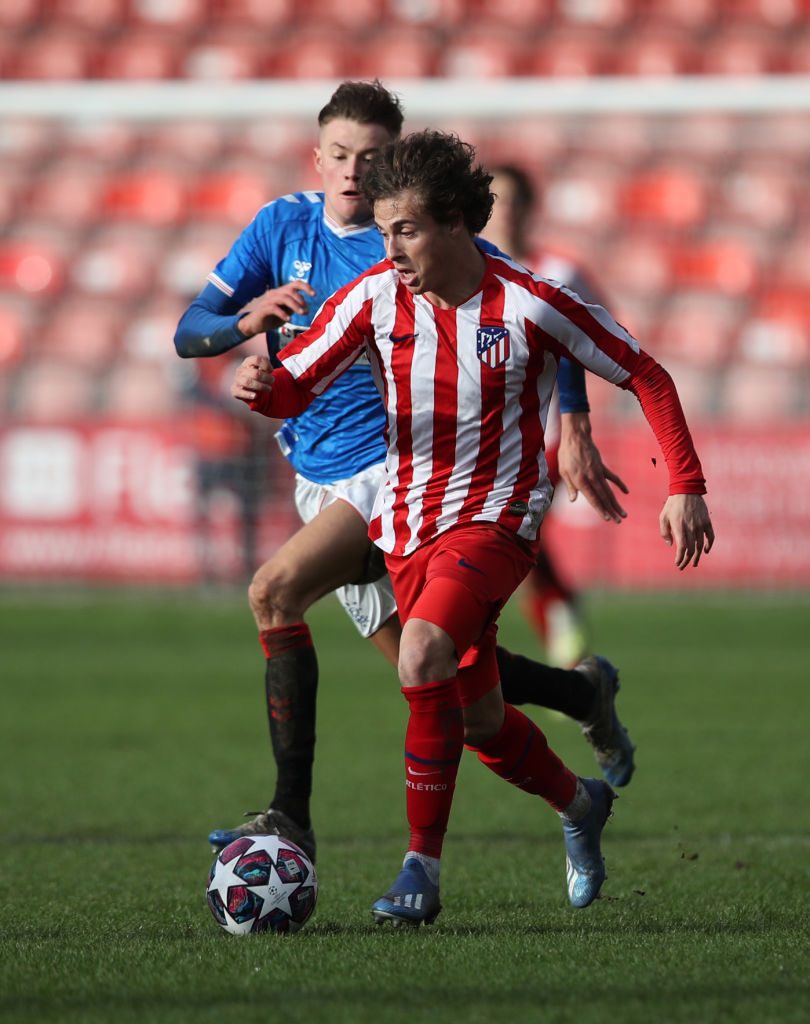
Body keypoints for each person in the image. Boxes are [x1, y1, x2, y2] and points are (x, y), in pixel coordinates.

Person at [230, 129, 714, 925]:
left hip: (496, 521)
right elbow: (294, 386)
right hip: (407, 525)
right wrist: (261, 384)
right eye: (383, 231)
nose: (390, 249)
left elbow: (646, 373)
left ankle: (420, 869)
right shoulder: (375, 297)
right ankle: (579, 800)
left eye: (407, 230)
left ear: (456, 222)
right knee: (478, 713)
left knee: (419, 655)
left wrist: (686, 485)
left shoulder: (530, 303)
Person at [175, 81, 634, 868]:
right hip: (317, 479)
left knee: (273, 591)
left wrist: (577, 421)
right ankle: (580, 700)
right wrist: (244, 324)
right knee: (458, 693)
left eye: (374, 157)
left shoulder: (415, 239)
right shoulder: (280, 226)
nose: (355, 171)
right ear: (315, 157)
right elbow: (190, 333)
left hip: (396, 474)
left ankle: (291, 817)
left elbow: (544, 316)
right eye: (342, 155)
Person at [483, 163, 626, 666]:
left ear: (530, 208)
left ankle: (561, 636)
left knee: (511, 532)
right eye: (494, 202)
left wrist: (579, 421)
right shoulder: (466, 275)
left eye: (514, 202)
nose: (505, 214)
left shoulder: (560, 274)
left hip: (546, 434)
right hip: (482, 439)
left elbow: (606, 340)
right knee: (511, 543)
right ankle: (561, 624)